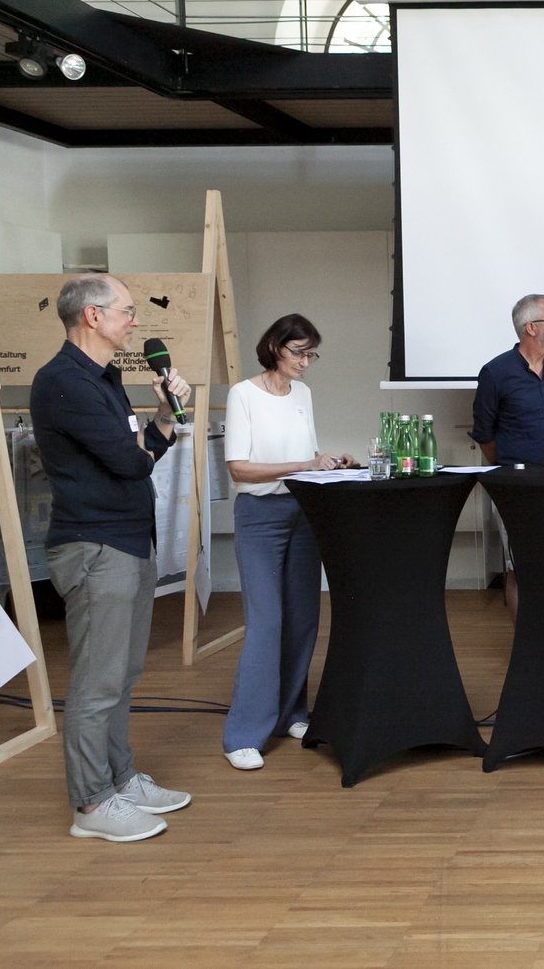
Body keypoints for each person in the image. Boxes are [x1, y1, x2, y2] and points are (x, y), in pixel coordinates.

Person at [30, 274, 194, 842]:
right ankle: (92, 804)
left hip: (128, 540)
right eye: (127, 310)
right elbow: (131, 462)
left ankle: (120, 778)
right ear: (93, 316)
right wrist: (143, 445)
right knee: (96, 683)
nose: (136, 321)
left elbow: (140, 452)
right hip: (95, 547)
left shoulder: (104, 379)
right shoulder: (62, 382)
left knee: (121, 675)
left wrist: (165, 415)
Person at [221, 315, 356, 771]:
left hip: (302, 510)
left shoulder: (303, 394)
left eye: (311, 354)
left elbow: (304, 457)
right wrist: (304, 464)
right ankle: (243, 735)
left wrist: (330, 462)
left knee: (302, 618)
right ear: (275, 347)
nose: (305, 362)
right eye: (299, 352)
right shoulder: (243, 394)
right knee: (266, 622)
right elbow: (239, 468)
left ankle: (290, 713)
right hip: (259, 516)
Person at [471, 293, 544, 608]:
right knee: (519, 566)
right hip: (516, 485)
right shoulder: (496, 372)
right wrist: (509, 467)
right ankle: (524, 638)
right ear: (531, 327)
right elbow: (484, 434)